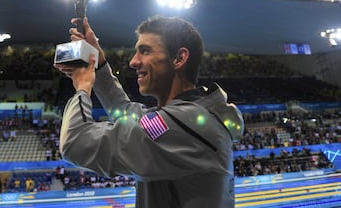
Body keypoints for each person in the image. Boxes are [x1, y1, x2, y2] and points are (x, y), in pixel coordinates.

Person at [55, 16, 244, 208]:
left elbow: (75, 142)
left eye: (145, 51)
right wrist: (99, 63)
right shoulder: (190, 116)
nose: (133, 62)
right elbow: (126, 114)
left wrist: (83, 86)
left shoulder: (182, 125)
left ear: (179, 58)